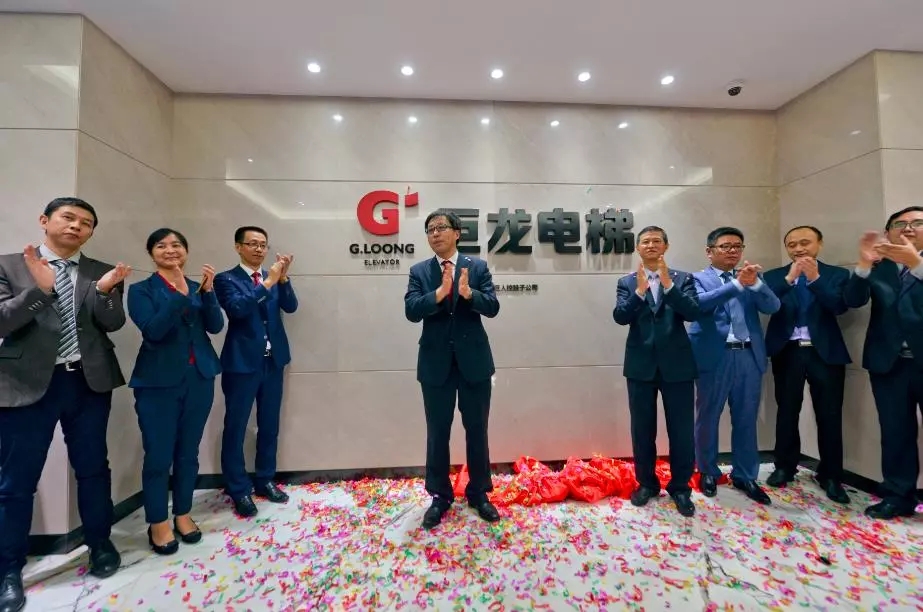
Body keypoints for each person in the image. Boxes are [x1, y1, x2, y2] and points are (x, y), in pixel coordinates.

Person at [0, 198, 131, 612]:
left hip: (87, 382)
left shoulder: (100, 271)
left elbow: (112, 322)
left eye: (86, 223)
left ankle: (100, 544)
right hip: (26, 385)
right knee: (16, 481)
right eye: (68, 218)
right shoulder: (8, 265)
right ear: (45, 221)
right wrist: (40, 291)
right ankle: (8, 570)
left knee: (93, 468)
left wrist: (106, 292)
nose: (76, 226)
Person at [127, 229, 224, 554]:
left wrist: (208, 294)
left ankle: (182, 513)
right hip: (157, 383)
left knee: (188, 452)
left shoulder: (199, 287)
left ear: (186, 250)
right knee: (158, 455)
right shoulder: (140, 290)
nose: (170, 250)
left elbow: (215, 326)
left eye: (177, 245)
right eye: (161, 245)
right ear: (151, 253)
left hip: (200, 378)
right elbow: (153, 331)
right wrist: (179, 296)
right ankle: (158, 522)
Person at [404, 209, 501, 529]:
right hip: (435, 365)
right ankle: (439, 496)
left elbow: (493, 307)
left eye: (441, 227)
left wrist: (469, 294)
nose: (435, 233)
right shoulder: (419, 271)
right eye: (430, 229)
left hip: (474, 363)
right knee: (437, 432)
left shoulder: (478, 267)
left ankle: (479, 493)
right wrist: (438, 294)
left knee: (477, 430)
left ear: (457, 233)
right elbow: (411, 310)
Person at [688, 226, 780, 505]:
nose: (732, 251)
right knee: (708, 417)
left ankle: (745, 475)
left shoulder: (752, 277)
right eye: (725, 246)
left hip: (748, 357)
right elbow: (698, 305)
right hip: (714, 357)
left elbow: (773, 306)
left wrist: (756, 285)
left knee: (746, 418)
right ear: (709, 251)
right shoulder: (696, 279)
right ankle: (707, 471)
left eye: (737, 246)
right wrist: (736, 285)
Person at [613, 226, 700, 517]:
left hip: (678, 365)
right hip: (640, 366)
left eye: (657, 241)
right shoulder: (627, 282)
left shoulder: (683, 279)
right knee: (642, 430)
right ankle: (647, 484)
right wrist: (639, 292)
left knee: (682, 431)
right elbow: (620, 316)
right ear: (637, 248)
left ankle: (680, 488)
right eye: (646, 241)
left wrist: (668, 286)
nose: (651, 245)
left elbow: (692, 312)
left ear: (666, 246)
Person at [844, 206, 923, 519]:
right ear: (888, 232)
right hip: (889, 363)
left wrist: (917, 265)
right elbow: (852, 300)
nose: (908, 228)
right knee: (895, 432)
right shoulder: (881, 266)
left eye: (917, 223)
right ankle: (898, 496)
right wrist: (863, 265)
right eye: (900, 224)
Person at [763, 226, 851, 504]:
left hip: (824, 352)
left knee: (830, 414)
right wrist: (790, 279)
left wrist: (815, 279)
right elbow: (766, 304)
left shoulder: (837, 274)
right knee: (787, 411)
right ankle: (784, 467)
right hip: (787, 350)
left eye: (805, 242)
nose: (799, 248)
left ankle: (831, 475)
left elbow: (840, 306)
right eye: (792, 244)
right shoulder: (774, 276)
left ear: (819, 244)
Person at [214, 226, 297, 518]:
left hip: (272, 361)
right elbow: (237, 309)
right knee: (236, 426)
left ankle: (265, 479)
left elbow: (291, 306)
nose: (259, 249)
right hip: (241, 363)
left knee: (269, 424)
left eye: (263, 244)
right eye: (252, 244)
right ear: (238, 247)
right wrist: (268, 282)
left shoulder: (273, 276)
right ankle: (238, 489)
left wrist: (282, 280)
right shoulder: (226, 279)